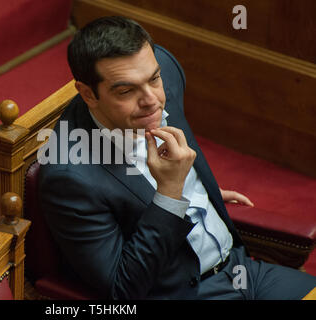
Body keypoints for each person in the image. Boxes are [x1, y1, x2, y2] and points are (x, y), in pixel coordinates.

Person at [38, 16, 316, 299]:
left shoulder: (166, 72)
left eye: (153, 79)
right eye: (126, 91)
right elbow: (122, 290)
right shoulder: (69, 177)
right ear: (88, 94)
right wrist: (171, 193)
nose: (152, 100)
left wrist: (204, 190)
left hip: (242, 270)